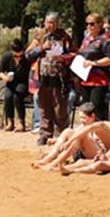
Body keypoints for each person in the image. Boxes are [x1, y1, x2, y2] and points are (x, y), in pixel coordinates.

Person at [26, 12, 74, 145]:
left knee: (60, 108)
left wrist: (63, 58)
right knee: (44, 106)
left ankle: (60, 135)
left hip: (59, 77)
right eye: (48, 22)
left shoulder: (64, 36)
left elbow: (73, 54)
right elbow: (28, 54)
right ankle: (45, 133)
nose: (50, 25)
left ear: (57, 23)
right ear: (45, 23)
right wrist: (41, 48)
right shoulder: (40, 36)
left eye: (53, 22)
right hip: (43, 77)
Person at [59, 104, 110, 176]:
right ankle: (61, 168)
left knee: (99, 164)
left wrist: (108, 159)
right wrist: (104, 156)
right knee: (85, 161)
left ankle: (71, 171)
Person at [32, 102, 110, 170]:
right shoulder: (84, 125)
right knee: (68, 131)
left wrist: (69, 142)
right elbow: (74, 133)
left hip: (100, 154)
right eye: (80, 118)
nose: (82, 121)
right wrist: (57, 140)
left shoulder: (100, 125)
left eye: (84, 118)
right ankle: (48, 158)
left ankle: (56, 162)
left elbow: (83, 132)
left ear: (92, 116)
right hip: (84, 152)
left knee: (81, 136)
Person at [78, 13, 110, 121]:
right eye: (87, 24)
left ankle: (98, 134)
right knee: (85, 110)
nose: (89, 27)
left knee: (95, 109)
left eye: (92, 24)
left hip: (99, 80)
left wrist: (94, 63)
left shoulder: (105, 40)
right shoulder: (86, 40)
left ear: (100, 25)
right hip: (85, 79)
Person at [0, 38, 31, 132]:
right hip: (10, 82)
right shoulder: (7, 56)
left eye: (20, 56)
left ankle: (21, 123)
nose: (18, 58)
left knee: (17, 96)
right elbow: (0, 71)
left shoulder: (27, 58)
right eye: (16, 56)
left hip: (23, 82)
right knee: (8, 97)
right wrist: (5, 78)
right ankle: (10, 122)